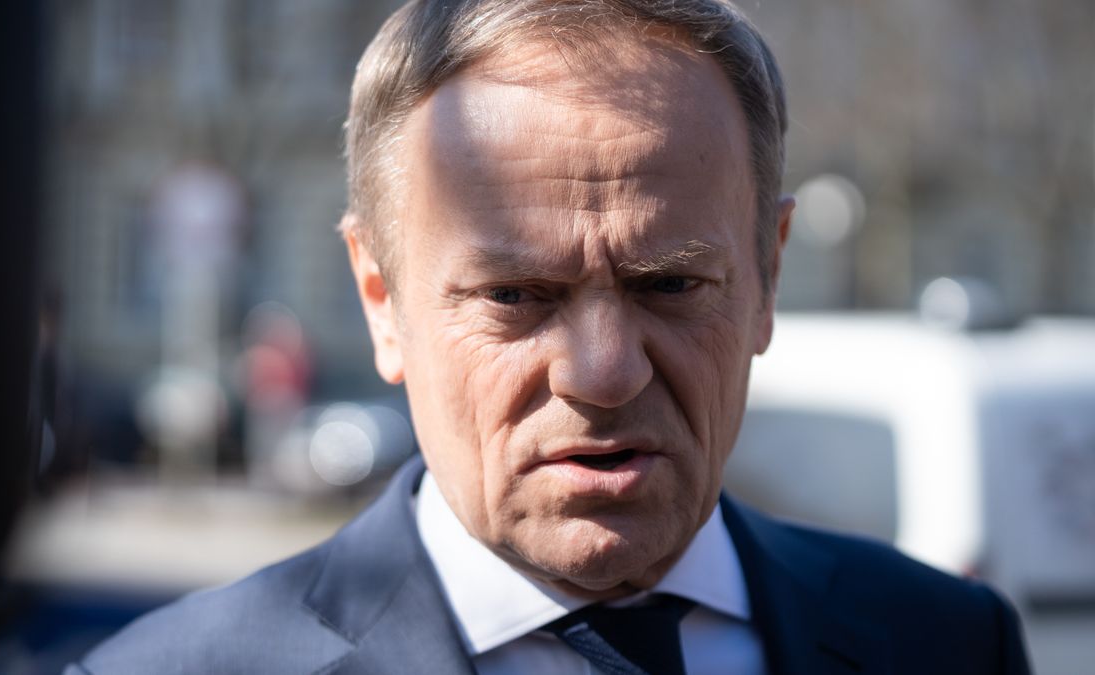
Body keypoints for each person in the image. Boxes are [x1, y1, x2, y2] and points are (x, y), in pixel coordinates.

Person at [68, 1, 1031, 673]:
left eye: (670, 284)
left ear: (767, 274)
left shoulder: (947, 642)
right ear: (381, 300)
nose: (604, 371)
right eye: (518, 295)